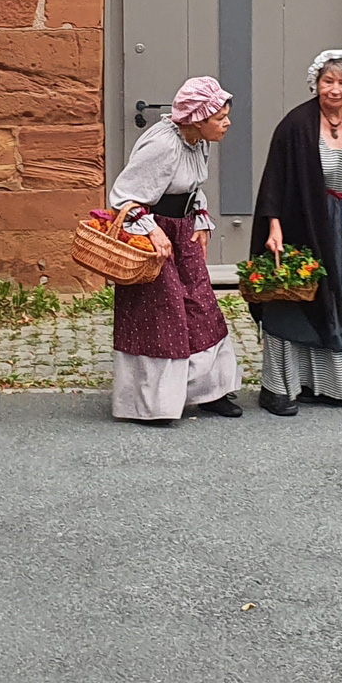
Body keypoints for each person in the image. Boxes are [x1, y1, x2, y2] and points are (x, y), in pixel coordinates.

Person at [249, 50, 342, 416]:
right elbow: (274, 179)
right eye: (328, 81)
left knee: (337, 300)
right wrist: (273, 225)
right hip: (301, 223)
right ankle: (277, 389)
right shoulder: (295, 124)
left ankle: (328, 385)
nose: (335, 89)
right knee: (293, 300)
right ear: (316, 83)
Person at [105, 76, 244, 425]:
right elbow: (123, 195)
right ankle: (154, 403)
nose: (227, 123)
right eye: (220, 117)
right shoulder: (163, 145)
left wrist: (200, 219)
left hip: (183, 233)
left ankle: (209, 391)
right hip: (154, 238)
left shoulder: (198, 141)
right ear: (197, 119)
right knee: (161, 316)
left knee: (201, 306)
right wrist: (152, 230)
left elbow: (191, 186)